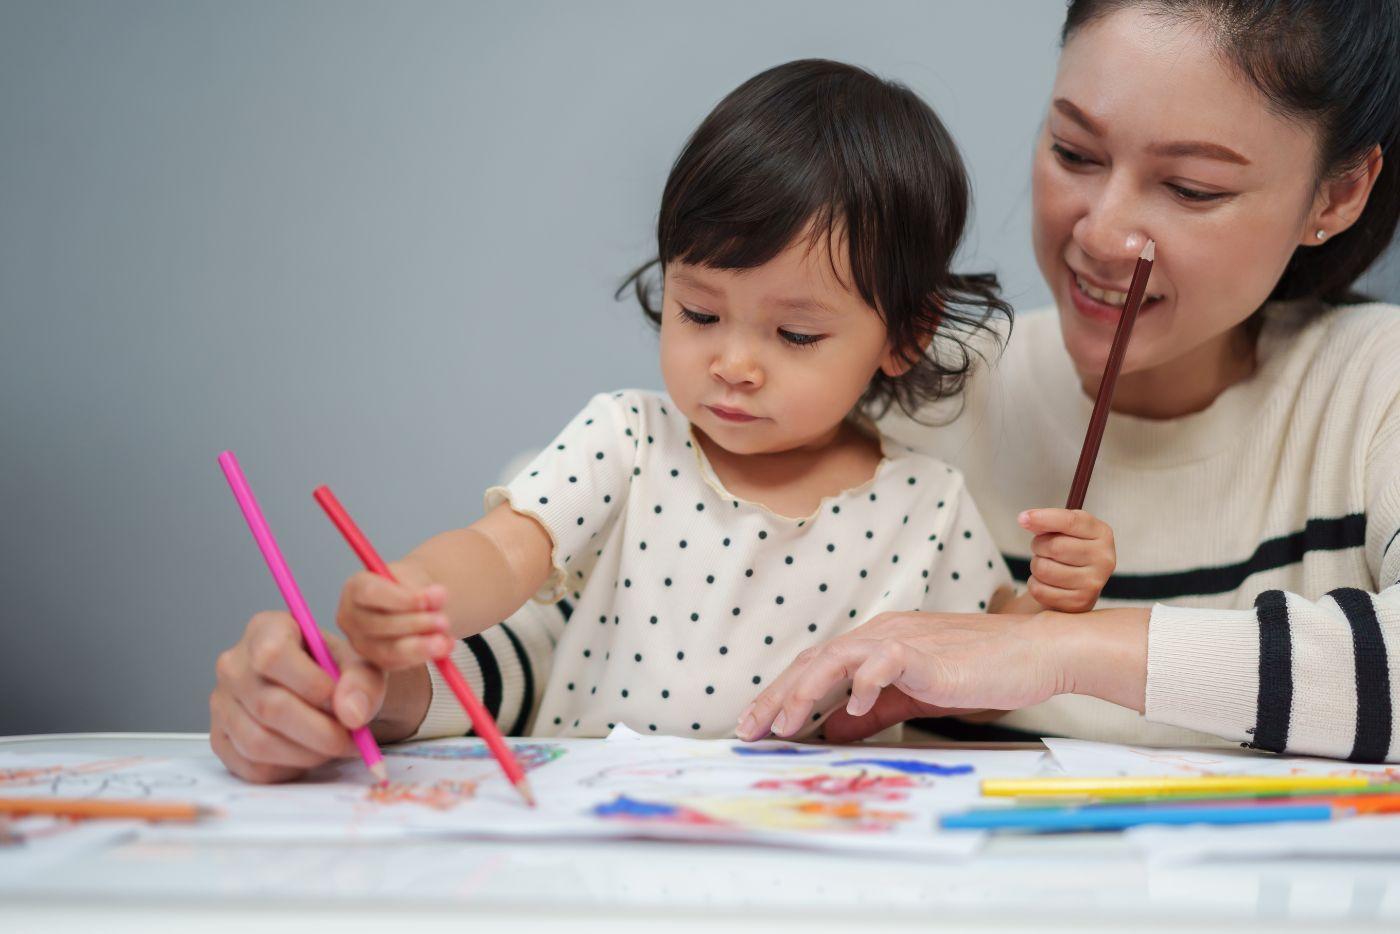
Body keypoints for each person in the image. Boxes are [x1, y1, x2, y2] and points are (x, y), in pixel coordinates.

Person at [208, 59, 1115, 780]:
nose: (733, 362)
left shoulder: (926, 502)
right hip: (592, 833)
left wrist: (1047, 606)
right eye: (700, 312)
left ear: (902, 338)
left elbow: (986, 674)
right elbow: (502, 552)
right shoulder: (628, 439)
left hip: (814, 861)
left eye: (794, 332)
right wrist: (411, 593)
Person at [739, 0, 1400, 763]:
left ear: (1338, 194)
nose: (1101, 234)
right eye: (1074, 152)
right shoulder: (904, 386)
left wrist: (1056, 651)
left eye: (1191, 188)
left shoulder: (1375, 387)